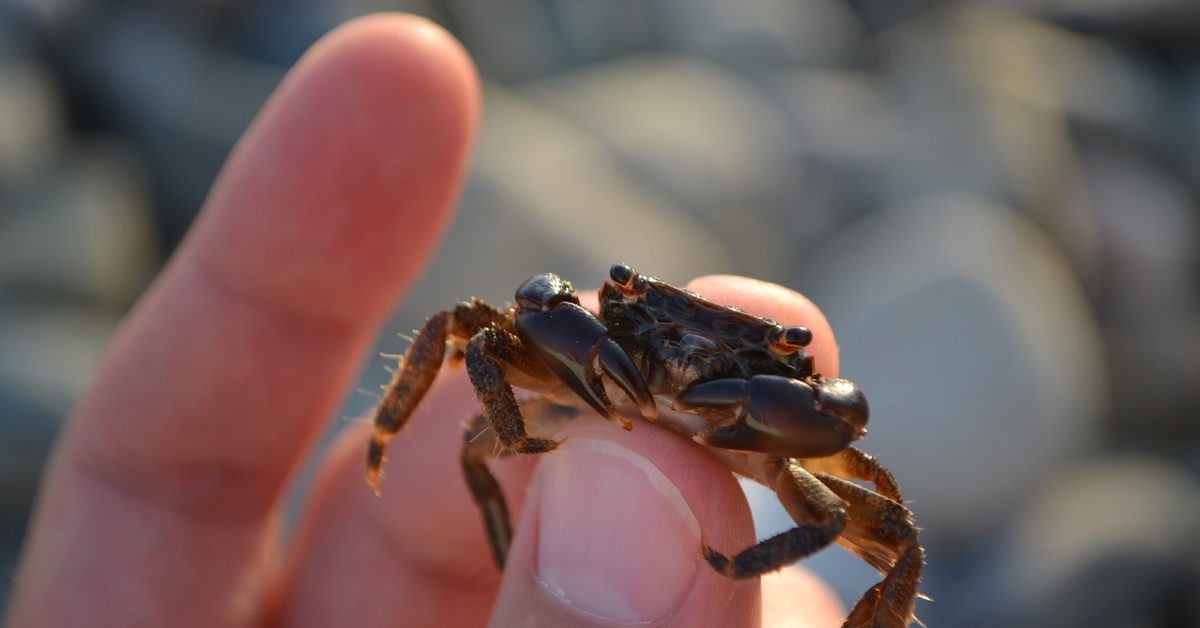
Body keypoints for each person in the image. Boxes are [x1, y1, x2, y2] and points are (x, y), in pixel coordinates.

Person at [4, 14, 845, 627]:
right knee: (473, 356)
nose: (679, 354)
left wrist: (745, 552)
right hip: (592, 385)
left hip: (750, 428)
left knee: (882, 535)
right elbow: (488, 328)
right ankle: (493, 520)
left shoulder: (783, 402)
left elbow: (847, 480)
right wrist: (505, 431)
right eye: (644, 315)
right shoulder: (600, 337)